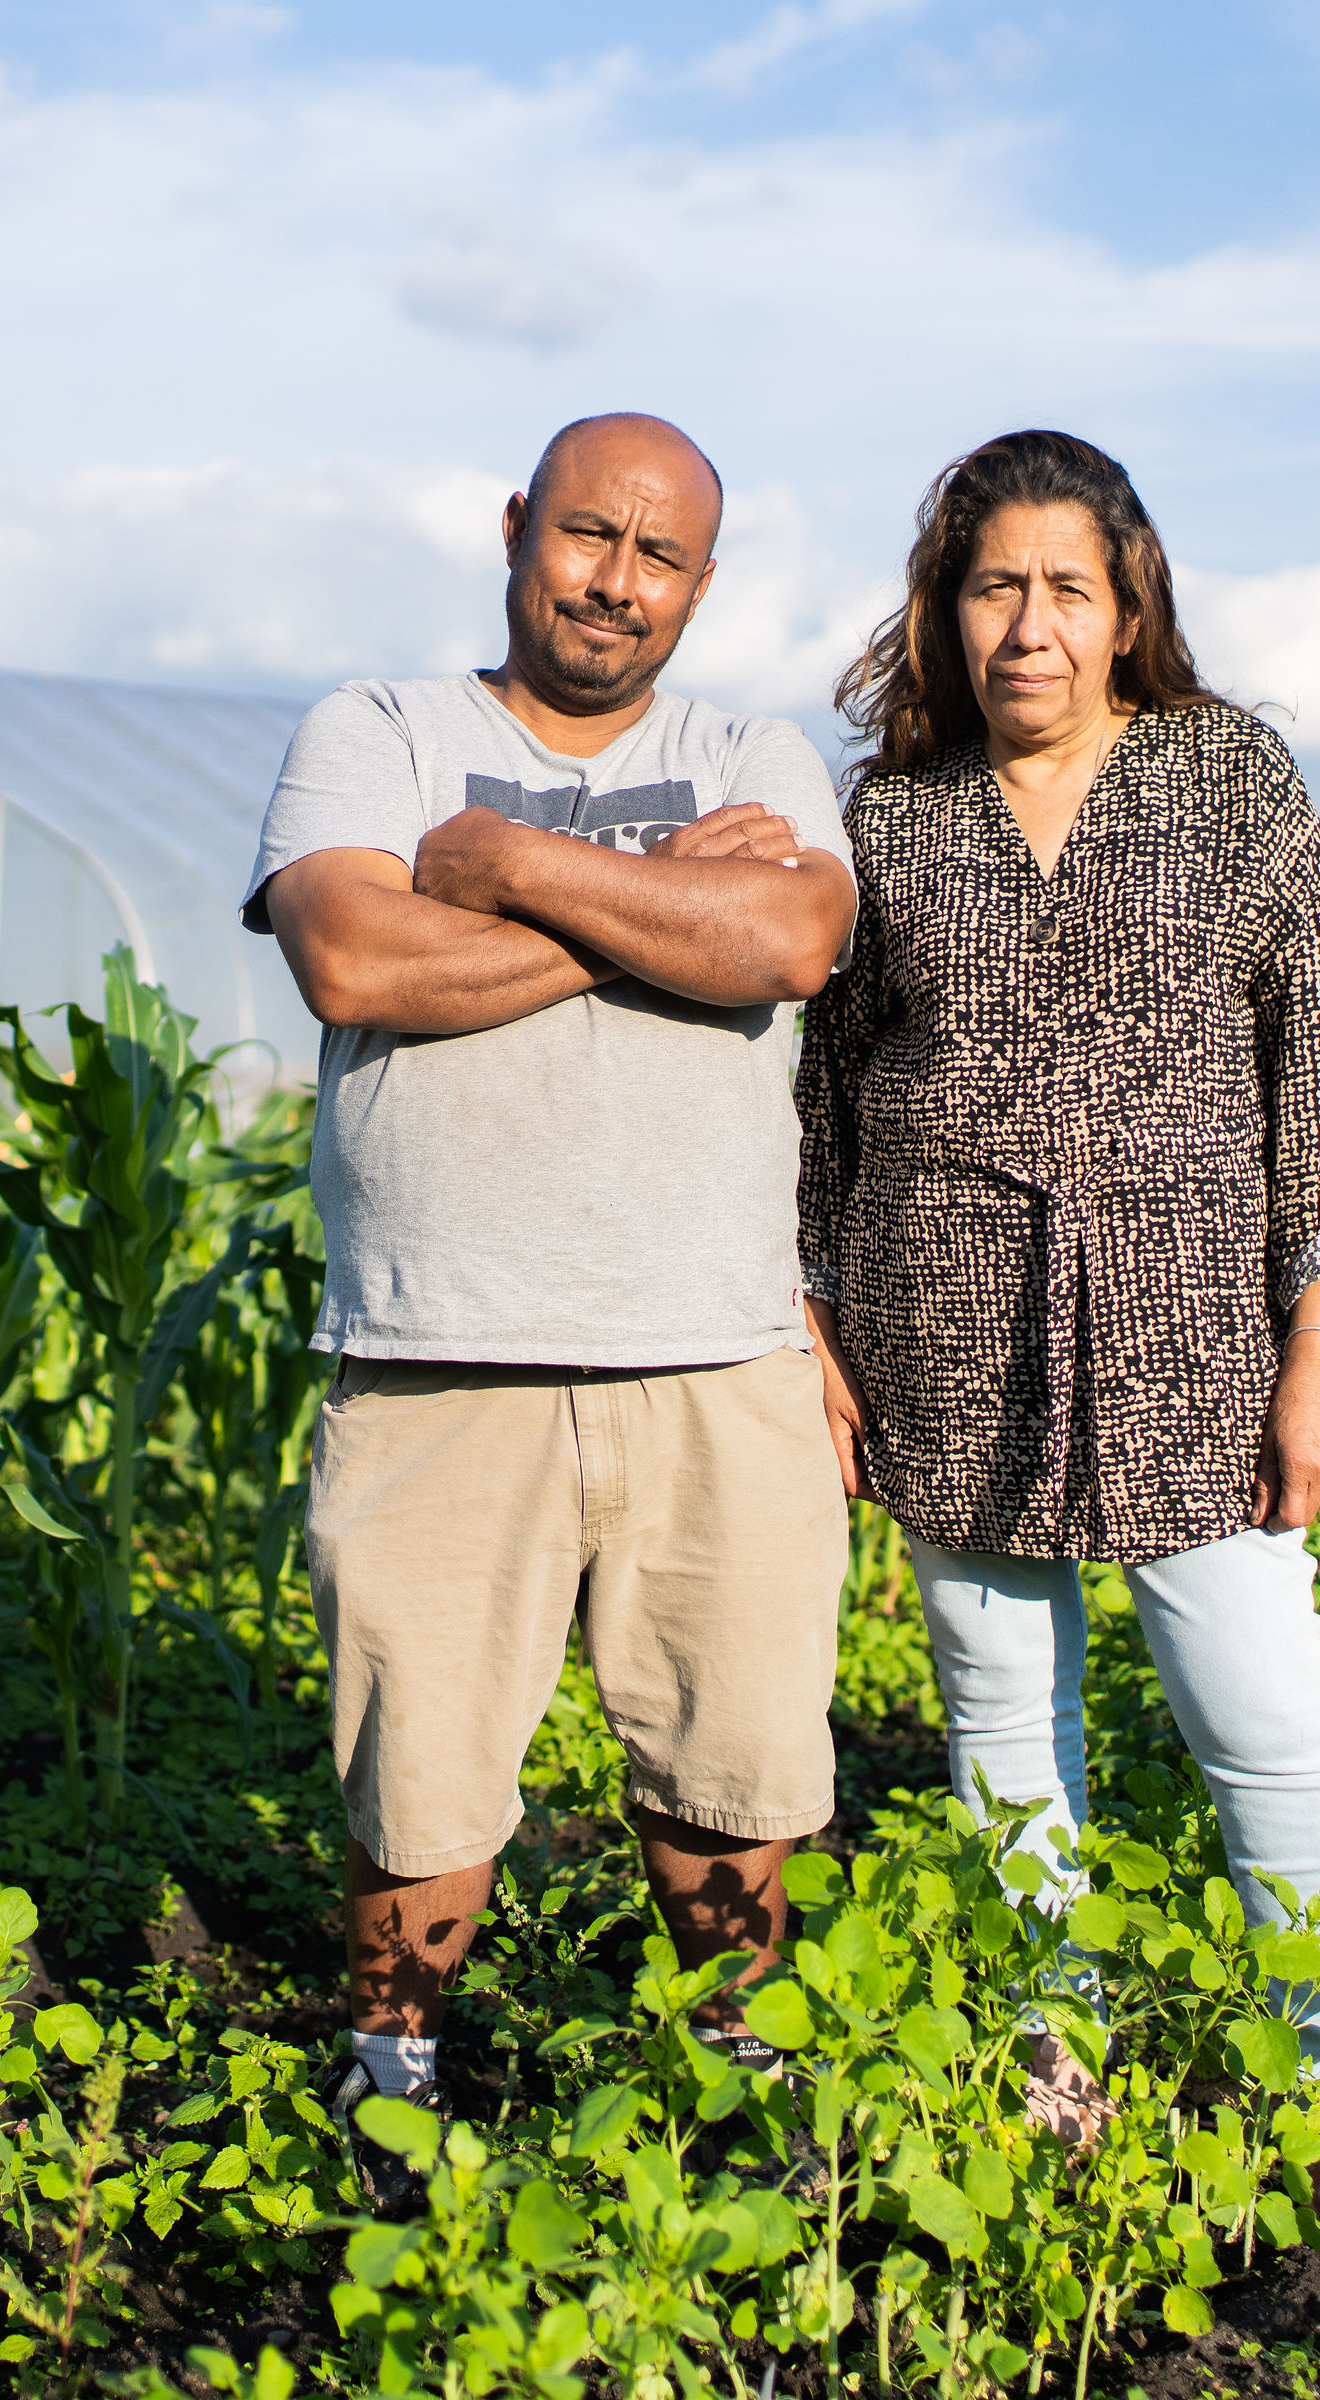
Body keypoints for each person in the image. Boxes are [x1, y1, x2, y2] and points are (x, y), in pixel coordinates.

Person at [795, 429, 1320, 2295]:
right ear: (942, 610)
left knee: (1268, 1727)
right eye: (989, 587)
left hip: (1195, 1315)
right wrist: (809, 1316)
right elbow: (819, 1098)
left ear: (1130, 609)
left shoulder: (1228, 772)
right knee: (1004, 1732)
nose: (1025, 626)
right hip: (943, 1312)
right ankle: (1056, 2081)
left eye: (1064, 590)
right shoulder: (891, 820)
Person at [242, 412, 861, 2209]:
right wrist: (677, 904)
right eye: (590, 536)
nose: (617, 582)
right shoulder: (375, 733)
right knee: (414, 1771)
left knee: (735, 1764)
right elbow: (356, 958)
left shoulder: (755, 749)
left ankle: (735, 2095)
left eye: (661, 556)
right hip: (441, 1355)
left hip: (717, 1354)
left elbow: (797, 947)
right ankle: (394, 2084)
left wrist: (506, 870)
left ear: (704, 583)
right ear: (519, 529)